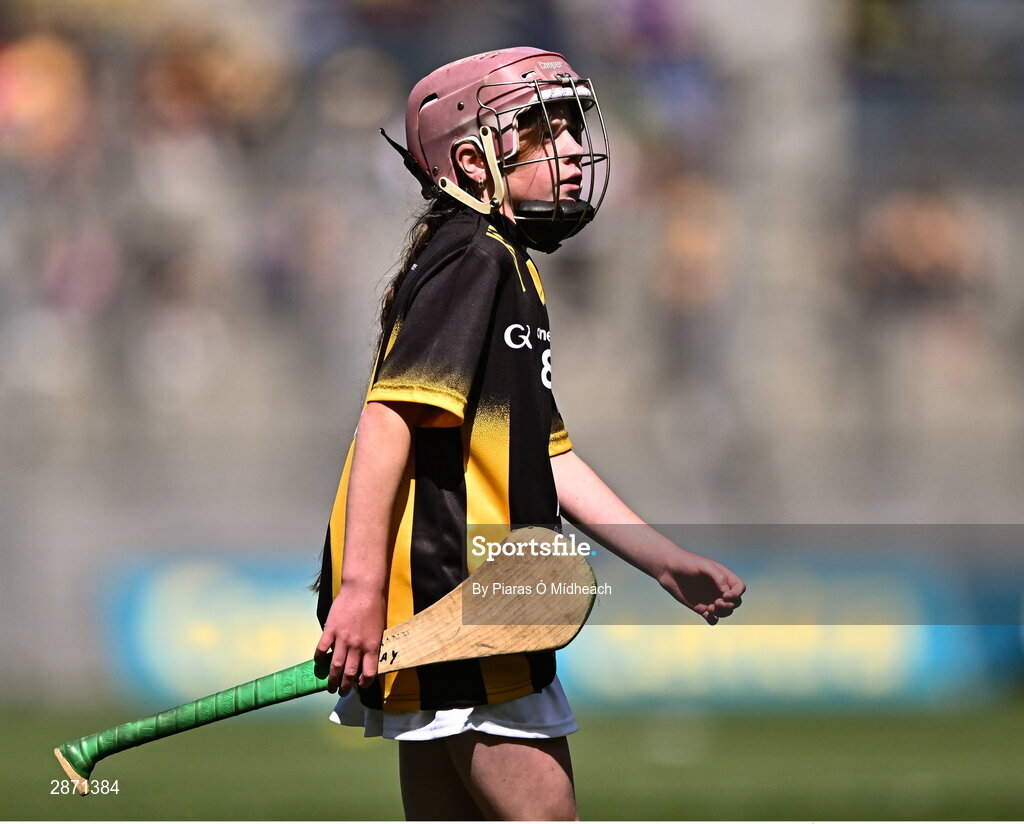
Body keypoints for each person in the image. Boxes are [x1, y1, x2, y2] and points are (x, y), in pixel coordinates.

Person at [313, 47, 746, 821]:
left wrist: (662, 561)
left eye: (575, 131)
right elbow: (388, 420)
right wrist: (362, 590)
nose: (576, 150)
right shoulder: (475, 259)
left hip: (456, 606)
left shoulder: (501, 263)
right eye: (546, 134)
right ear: (476, 162)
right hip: (466, 603)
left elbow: (551, 458)